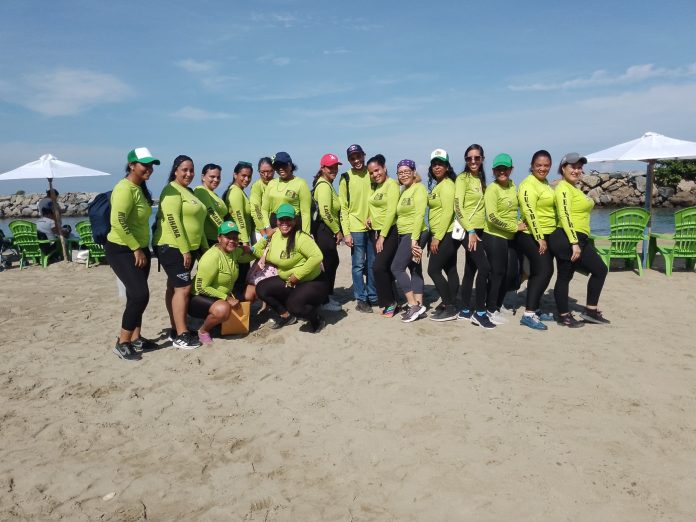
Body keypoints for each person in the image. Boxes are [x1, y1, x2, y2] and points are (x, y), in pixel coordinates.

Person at [105, 147, 159, 361]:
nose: (149, 169)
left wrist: (143, 248)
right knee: (139, 294)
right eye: (144, 165)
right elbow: (117, 222)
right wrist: (135, 248)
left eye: (151, 165)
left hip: (140, 248)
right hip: (122, 249)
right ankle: (123, 342)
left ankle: (136, 338)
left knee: (135, 296)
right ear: (131, 165)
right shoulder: (124, 188)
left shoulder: (140, 188)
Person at [548, 152, 610, 326]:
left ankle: (591, 311)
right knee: (565, 276)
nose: (576, 170)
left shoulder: (574, 188)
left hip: (579, 238)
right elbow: (564, 215)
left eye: (579, 167)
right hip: (567, 238)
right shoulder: (562, 188)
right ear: (563, 168)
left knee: (600, 269)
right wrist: (574, 242)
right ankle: (564, 316)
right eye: (572, 167)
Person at [153, 155, 208, 349]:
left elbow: (198, 224)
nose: (189, 173)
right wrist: (184, 250)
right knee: (183, 289)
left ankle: (176, 328)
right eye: (184, 169)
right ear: (175, 170)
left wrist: (204, 249)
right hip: (172, 246)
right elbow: (173, 221)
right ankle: (182, 334)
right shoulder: (171, 190)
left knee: (174, 287)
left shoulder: (188, 191)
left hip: (189, 248)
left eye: (191, 170)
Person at [254, 203, 328, 333]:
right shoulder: (276, 235)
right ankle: (286, 316)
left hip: (312, 281)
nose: (284, 223)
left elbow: (317, 257)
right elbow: (256, 250)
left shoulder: (300, 237)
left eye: (288, 219)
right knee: (261, 288)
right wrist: (267, 235)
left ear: (295, 221)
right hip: (289, 281)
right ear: (277, 221)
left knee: (295, 307)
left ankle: (316, 319)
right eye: (281, 219)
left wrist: (297, 275)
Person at [190, 221, 256, 344]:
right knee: (223, 309)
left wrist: (255, 250)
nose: (232, 241)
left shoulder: (234, 251)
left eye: (235, 238)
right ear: (219, 238)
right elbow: (201, 287)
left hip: (222, 294)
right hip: (199, 297)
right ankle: (203, 330)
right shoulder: (211, 257)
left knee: (252, 291)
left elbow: (249, 256)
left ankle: (221, 322)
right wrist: (226, 298)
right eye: (228, 237)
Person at [482, 153, 526, 325]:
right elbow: (492, 217)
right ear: (493, 171)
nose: (502, 172)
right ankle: (490, 309)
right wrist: (515, 227)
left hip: (511, 238)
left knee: (510, 274)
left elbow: (521, 207)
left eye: (505, 169)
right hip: (494, 236)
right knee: (497, 273)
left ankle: (497, 305)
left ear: (511, 169)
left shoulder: (513, 186)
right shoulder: (492, 189)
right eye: (499, 169)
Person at [454, 144, 495, 329]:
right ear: (465, 160)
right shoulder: (462, 179)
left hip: (481, 229)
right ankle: (479, 312)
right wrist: (470, 231)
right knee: (484, 267)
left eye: (477, 158)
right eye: (469, 158)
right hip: (467, 230)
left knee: (470, 269)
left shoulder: (481, 178)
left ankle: (464, 309)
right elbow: (458, 207)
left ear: (482, 159)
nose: (473, 161)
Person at [516, 150, 557, 331]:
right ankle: (528, 314)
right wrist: (539, 237)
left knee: (538, 272)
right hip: (530, 235)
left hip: (545, 233)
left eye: (546, 165)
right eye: (538, 165)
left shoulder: (545, 183)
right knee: (544, 271)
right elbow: (530, 212)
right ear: (532, 166)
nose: (542, 168)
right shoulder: (528, 184)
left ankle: (535, 309)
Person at [339, 144, 378, 312]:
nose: (356, 160)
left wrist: (374, 218)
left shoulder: (372, 174)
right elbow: (343, 208)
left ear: (364, 155)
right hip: (355, 228)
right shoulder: (345, 178)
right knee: (358, 265)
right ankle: (361, 299)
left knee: (373, 264)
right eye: (352, 158)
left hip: (373, 226)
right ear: (349, 160)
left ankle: (373, 295)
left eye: (358, 156)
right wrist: (346, 233)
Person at [391, 159, 429, 323]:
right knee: (414, 268)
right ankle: (419, 305)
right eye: (400, 172)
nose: (404, 175)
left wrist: (414, 240)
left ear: (414, 172)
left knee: (397, 268)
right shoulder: (404, 190)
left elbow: (420, 214)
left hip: (415, 233)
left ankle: (413, 305)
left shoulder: (419, 188)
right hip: (405, 233)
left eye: (407, 171)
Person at [426, 149, 460, 321]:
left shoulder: (447, 185)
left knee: (433, 270)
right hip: (443, 232)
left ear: (447, 167)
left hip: (446, 233)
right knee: (450, 269)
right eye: (434, 164)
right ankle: (451, 302)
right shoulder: (439, 185)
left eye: (441, 164)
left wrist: (437, 237)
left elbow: (448, 212)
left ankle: (450, 306)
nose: (437, 167)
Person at [366, 154, 400, 317]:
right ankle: (394, 300)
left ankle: (389, 303)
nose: (375, 174)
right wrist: (370, 217)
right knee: (385, 267)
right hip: (376, 231)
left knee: (378, 267)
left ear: (384, 168)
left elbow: (391, 212)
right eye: (371, 172)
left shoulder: (391, 184)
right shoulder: (376, 187)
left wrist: (382, 236)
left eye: (377, 170)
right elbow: (376, 207)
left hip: (390, 232)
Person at [311, 153, 344, 311]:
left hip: (325, 229)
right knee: (328, 264)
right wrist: (337, 231)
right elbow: (325, 212)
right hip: (324, 229)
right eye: (330, 167)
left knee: (332, 262)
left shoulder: (326, 184)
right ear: (323, 168)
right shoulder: (324, 185)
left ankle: (327, 296)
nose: (334, 170)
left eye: (336, 167)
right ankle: (324, 300)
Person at [261, 152, 312, 235]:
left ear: (290, 165)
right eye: (277, 166)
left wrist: (306, 234)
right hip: (274, 225)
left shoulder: (301, 183)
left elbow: (305, 213)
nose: (280, 168)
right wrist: (268, 227)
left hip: (293, 225)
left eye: (283, 165)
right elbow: (264, 209)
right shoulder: (271, 183)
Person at [193, 163, 227, 245]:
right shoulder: (201, 190)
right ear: (203, 177)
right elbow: (211, 213)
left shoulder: (214, 194)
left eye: (218, 177)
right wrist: (227, 231)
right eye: (212, 177)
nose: (216, 180)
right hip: (209, 240)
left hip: (219, 237)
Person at [249, 157, 274, 241]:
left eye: (269, 171)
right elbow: (256, 210)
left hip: (277, 228)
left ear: (274, 170)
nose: (266, 175)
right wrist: (264, 234)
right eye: (262, 172)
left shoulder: (277, 184)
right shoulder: (256, 186)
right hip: (261, 232)